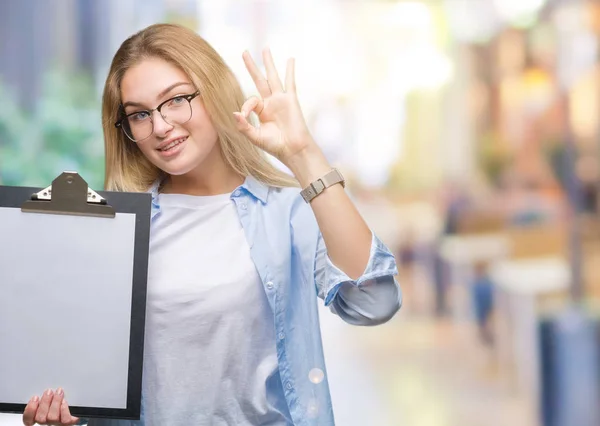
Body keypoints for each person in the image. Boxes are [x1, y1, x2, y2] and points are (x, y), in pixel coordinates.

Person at [22, 23, 401, 426]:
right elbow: (88, 370)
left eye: (176, 100)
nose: (161, 127)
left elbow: (374, 304)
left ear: (214, 91)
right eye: (140, 115)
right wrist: (63, 414)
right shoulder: (115, 228)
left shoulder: (286, 212)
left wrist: (303, 154)